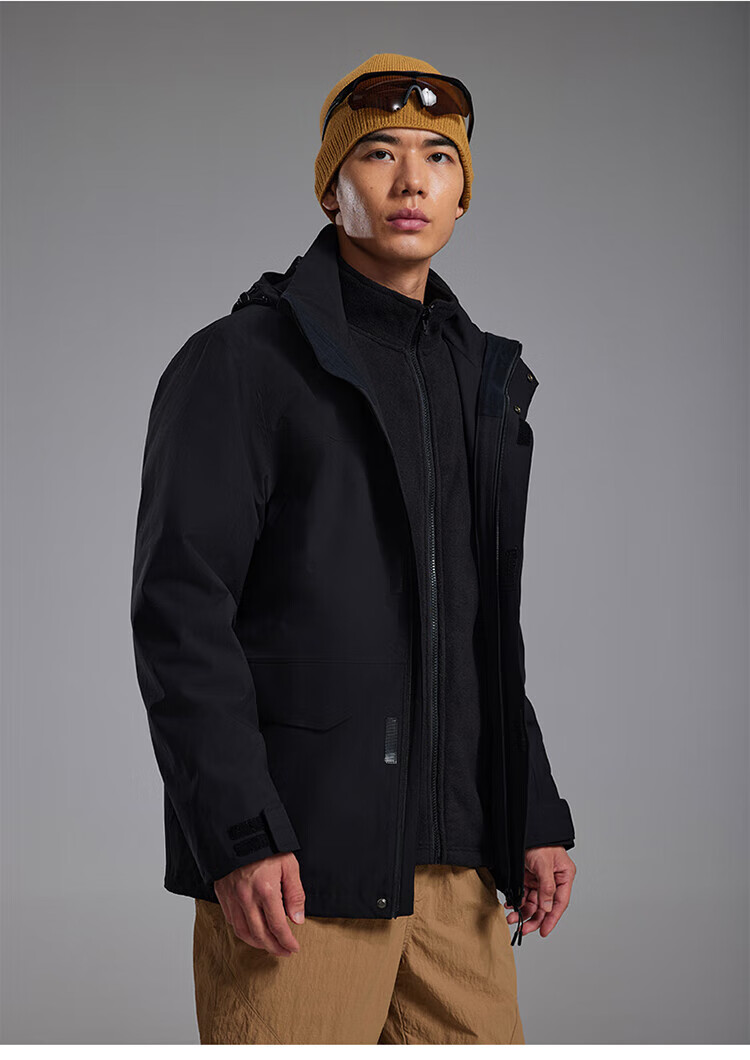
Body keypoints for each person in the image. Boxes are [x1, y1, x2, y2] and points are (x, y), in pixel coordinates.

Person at [130, 51, 577, 1045]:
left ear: (463, 191)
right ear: (332, 189)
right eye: (378, 154)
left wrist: (532, 809)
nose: (411, 180)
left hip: (458, 878)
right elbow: (181, 613)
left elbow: (474, 628)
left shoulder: (481, 382)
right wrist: (241, 834)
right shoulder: (240, 365)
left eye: (438, 157)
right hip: (301, 876)